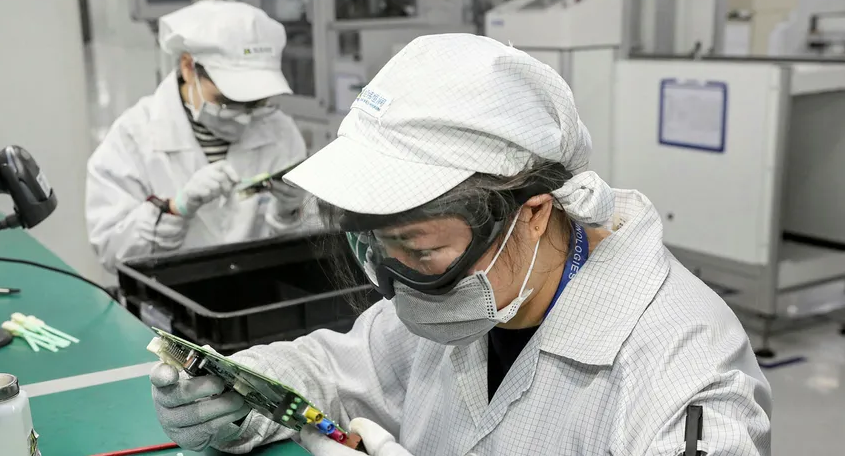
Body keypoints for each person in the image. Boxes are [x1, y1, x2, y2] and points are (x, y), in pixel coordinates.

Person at [149, 34, 772, 454]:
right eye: (379, 249)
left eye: (419, 253)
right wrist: (241, 392)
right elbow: (334, 370)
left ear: (531, 213)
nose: (398, 283)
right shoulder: (467, 294)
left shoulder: (684, 370)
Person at [86, 0, 308, 272]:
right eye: (228, 100)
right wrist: (175, 209)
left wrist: (289, 213)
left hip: (261, 294)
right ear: (189, 67)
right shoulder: (133, 137)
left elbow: (306, 255)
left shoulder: (280, 132)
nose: (244, 115)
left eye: (256, 103)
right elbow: (111, 252)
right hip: (173, 299)